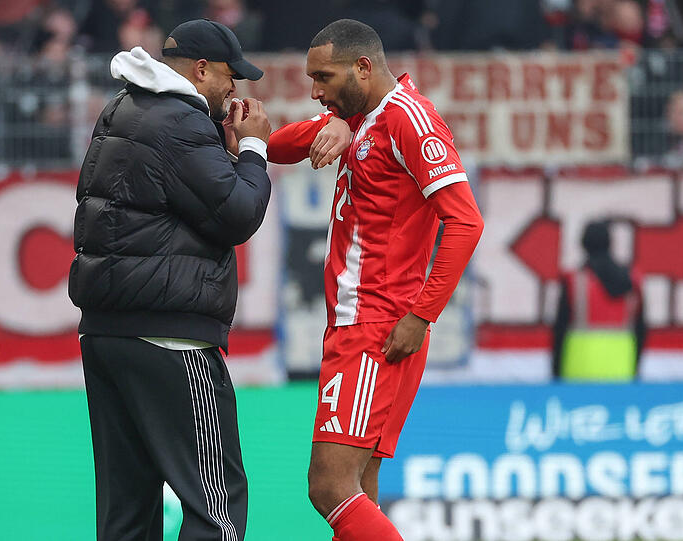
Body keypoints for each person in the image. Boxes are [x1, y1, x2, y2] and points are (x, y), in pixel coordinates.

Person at [267, 19, 484, 541]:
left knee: (329, 488)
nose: (315, 91)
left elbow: (465, 221)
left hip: (376, 325)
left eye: (323, 77)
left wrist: (422, 313)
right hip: (364, 325)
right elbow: (279, 145)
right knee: (360, 487)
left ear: (363, 68)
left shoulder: (410, 119)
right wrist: (259, 135)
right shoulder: (362, 117)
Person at [68, 19, 271, 541]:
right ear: (201, 69)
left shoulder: (124, 108)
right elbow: (238, 213)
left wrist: (221, 154)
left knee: (127, 516)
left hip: (106, 334)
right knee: (216, 506)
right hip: (169, 337)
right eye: (231, 75)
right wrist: (252, 150)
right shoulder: (180, 121)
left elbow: (168, 201)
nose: (235, 88)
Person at [552, 220, 646, 380]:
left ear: (583, 244)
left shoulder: (575, 281)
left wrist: (555, 371)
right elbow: (641, 329)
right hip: (622, 368)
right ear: (610, 244)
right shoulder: (632, 280)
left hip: (580, 369)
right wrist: (636, 368)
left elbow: (559, 329)